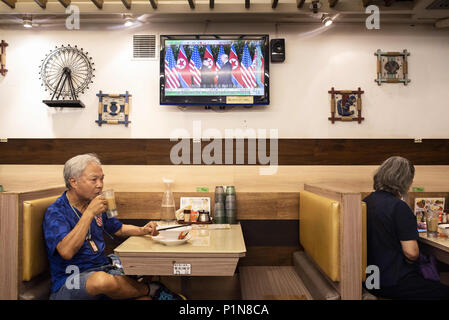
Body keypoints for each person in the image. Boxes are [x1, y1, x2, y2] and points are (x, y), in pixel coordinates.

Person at [43, 153, 185, 300]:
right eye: (94, 179)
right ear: (73, 182)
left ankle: (148, 292)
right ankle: (153, 289)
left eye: (101, 179)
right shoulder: (56, 212)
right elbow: (66, 251)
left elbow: (118, 229)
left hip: (105, 270)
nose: (100, 184)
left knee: (145, 271)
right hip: (71, 281)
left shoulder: (92, 204)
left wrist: (143, 230)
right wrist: (89, 213)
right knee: (102, 281)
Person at [363, 156, 449, 300]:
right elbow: (412, 253)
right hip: (393, 282)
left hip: (371, 280)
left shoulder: (366, 201)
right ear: (404, 181)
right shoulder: (398, 207)